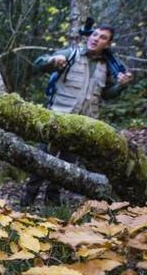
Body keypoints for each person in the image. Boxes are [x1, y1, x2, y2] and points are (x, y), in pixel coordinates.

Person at [20, 25, 134, 207]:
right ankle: (27, 200)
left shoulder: (107, 66)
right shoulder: (71, 54)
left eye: (102, 37)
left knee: (66, 166)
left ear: (108, 44)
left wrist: (121, 85)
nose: (96, 38)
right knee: (41, 161)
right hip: (57, 120)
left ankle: (52, 205)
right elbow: (39, 63)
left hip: (83, 126)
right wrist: (53, 60)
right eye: (95, 34)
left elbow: (106, 95)